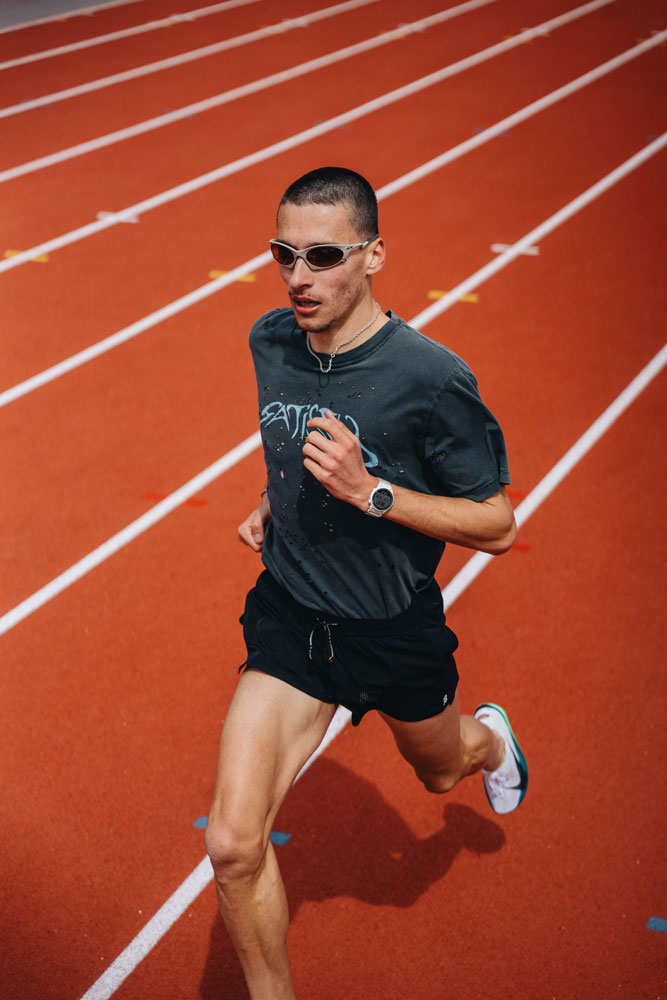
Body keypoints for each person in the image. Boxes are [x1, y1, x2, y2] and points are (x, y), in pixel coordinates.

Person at [205, 166, 528, 1000]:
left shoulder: (431, 378)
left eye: (322, 256)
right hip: (292, 617)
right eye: (285, 254)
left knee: (441, 768)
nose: (299, 278)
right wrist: (276, 501)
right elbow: (292, 443)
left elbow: (496, 525)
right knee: (235, 846)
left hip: (390, 629)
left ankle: (489, 740)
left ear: (374, 254)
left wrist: (369, 493)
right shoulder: (270, 340)